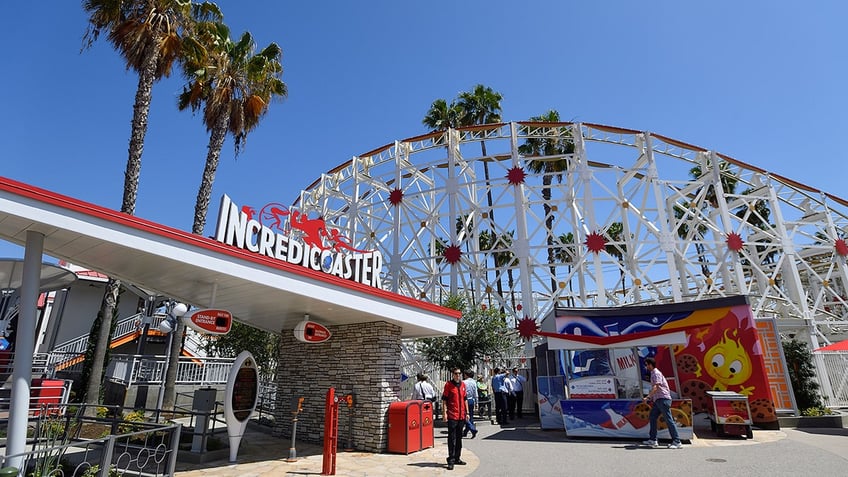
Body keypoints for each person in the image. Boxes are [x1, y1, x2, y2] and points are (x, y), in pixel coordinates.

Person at [641, 357, 683, 449]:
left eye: (646, 364)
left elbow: (656, 387)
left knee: (669, 420)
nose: (646, 366)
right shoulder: (653, 373)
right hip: (658, 400)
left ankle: (677, 441)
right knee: (652, 416)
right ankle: (653, 439)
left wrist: (648, 397)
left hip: (663, 399)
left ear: (650, 365)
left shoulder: (656, 373)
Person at [442, 368, 469, 470]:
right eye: (456, 373)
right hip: (452, 415)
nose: (458, 375)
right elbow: (444, 400)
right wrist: (444, 413)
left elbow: (465, 399)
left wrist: (467, 412)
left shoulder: (463, 385)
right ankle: (451, 460)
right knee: (452, 438)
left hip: (461, 415)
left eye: (459, 373)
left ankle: (457, 458)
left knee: (459, 438)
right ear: (452, 374)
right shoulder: (448, 385)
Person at [462, 371, 478, 439]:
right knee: (470, 416)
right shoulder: (474, 382)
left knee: (464, 416)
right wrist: (477, 402)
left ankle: (472, 429)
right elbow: (475, 393)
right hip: (471, 400)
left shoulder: (464, 382)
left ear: (466, 375)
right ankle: (466, 431)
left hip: (465, 400)